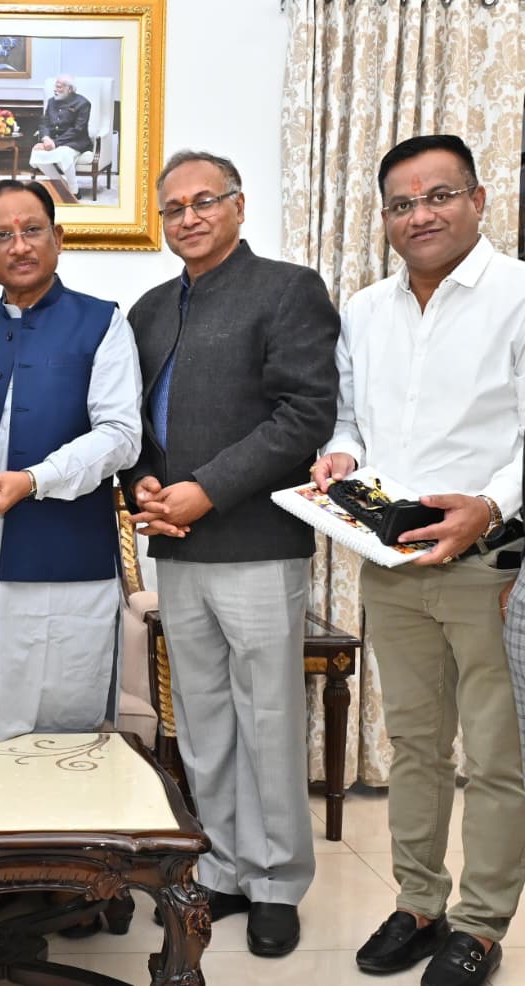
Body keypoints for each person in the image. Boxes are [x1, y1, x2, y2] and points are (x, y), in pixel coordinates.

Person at [313, 134, 525, 986]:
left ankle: (480, 923)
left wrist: (490, 507)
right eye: (402, 204)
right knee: (415, 746)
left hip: (492, 564)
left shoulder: (518, 296)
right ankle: (419, 904)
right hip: (392, 561)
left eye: (439, 196)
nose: (421, 215)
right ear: (386, 218)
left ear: (478, 199)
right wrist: (339, 454)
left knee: (499, 757)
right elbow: (351, 420)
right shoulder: (367, 310)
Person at [123, 149, 339, 958]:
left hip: (256, 542)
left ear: (238, 207)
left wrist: (206, 490)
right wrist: (144, 486)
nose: (189, 218)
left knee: (268, 717)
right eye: (173, 208)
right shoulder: (149, 309)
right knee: (204, 718)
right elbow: (132, 422)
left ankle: (277, 880)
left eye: (204, 201)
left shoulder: (287, 290)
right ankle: (220, 866)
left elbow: (305, 415)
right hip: (176, 548)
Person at [0, 178, 140, 932]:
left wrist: (36, 479)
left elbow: (120, 435)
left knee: (61, 720)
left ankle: (70, 881)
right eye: (1, 235)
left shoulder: (102, 322)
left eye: (32, 229)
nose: (18, 245)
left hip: (64, 556)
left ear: (58, 237)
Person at [30, 76, 91, 196]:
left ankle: (74, 190)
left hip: (75, 142)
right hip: (53, 141)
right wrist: (46, 139)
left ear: (70, 89)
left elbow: (78, 129)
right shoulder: (51, 101)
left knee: (63, 154)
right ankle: (61, 185)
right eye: (55, 86)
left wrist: (55, 143)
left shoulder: (83, 103)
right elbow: (44, 123)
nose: (55, 89)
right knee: (37, 153)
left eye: (59, 87)